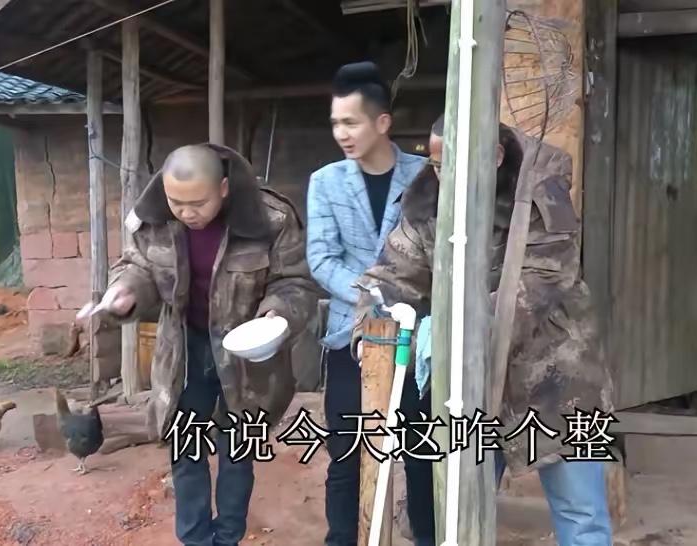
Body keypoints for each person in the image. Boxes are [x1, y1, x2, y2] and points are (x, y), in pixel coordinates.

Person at [352, 117, 616, 546]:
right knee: (458, 515)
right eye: (437, 165)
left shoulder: (540, 192)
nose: (443, 176)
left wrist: (449, 329)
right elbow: (391, 274)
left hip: (556, 378)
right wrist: (371, 326)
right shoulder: (427, 201)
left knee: (580, 514)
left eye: (453, 165)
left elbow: (541, 282)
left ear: (493, 157)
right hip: (469, 387)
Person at [80, 143, 319, 546]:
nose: (186, 213)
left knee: (237, 448)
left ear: (223, 188)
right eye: (177, 203)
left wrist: (277, 315)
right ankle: (195, 539)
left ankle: (228, 537)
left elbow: (294, 281)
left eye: (197, 204)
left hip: (246, 355)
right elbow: (136, 266)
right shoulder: (154, 217)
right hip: (185, 351)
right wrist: (125, 291)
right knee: (185, 444)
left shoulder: (270, 218)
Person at [306, 61, 436, 546]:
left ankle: (427, 536)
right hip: (349, 336)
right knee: (345, 451)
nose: (341, 133)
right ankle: (342, 538)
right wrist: (374, 290)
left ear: (382, 122)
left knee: (420, 452)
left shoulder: (424, 175)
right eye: (335, 123)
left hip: (414, 336)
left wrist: (402, 295)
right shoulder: (325, 181)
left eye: (351, 122)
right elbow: (321, 258)